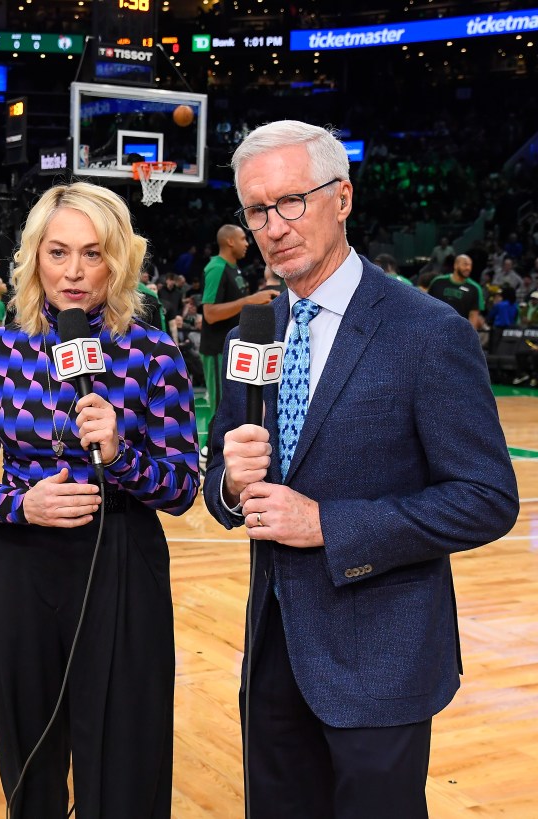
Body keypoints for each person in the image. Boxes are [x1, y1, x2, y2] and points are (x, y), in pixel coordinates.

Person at [203, 120, 518, 819]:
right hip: (273, 651)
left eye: (292, 201)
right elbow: (222, 482)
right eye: (257, 210)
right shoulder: (255, 330)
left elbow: (488, 498)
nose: (274, 225)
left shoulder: (426, 331)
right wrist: (228, 481)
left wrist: (328, 524)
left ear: (341, 198)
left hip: (382, 659)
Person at [0, 182, 199, 818]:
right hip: (24, 564)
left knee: (125, 760)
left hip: (122, 560)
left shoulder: (154, 354)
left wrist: (119, 456)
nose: (76, 272)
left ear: (120, 261)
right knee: (28, 754)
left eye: (94, 254)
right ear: (35, 256)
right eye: (59, 253)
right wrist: (21, 505)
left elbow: (183, 487)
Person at [200, 223, 274, 416]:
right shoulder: (216, 268)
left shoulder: (234, 268)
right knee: (220, 406)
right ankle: (212, 446)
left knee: (236, 405)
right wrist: (249, 301)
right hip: (217, 348)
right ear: (230, 241)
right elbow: (210, 313)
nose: (247, 243)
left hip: (234, 346)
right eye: (242, 238)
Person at [427, 254, 485, 330]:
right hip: (436, 328)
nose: (468, 268)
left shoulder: (475, 288)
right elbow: (428, 306)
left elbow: (473, 315)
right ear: (455, 265)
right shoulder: (438, 282)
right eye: (465, 264)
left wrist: (469, 337)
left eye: (470, 265)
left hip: (459, 332)